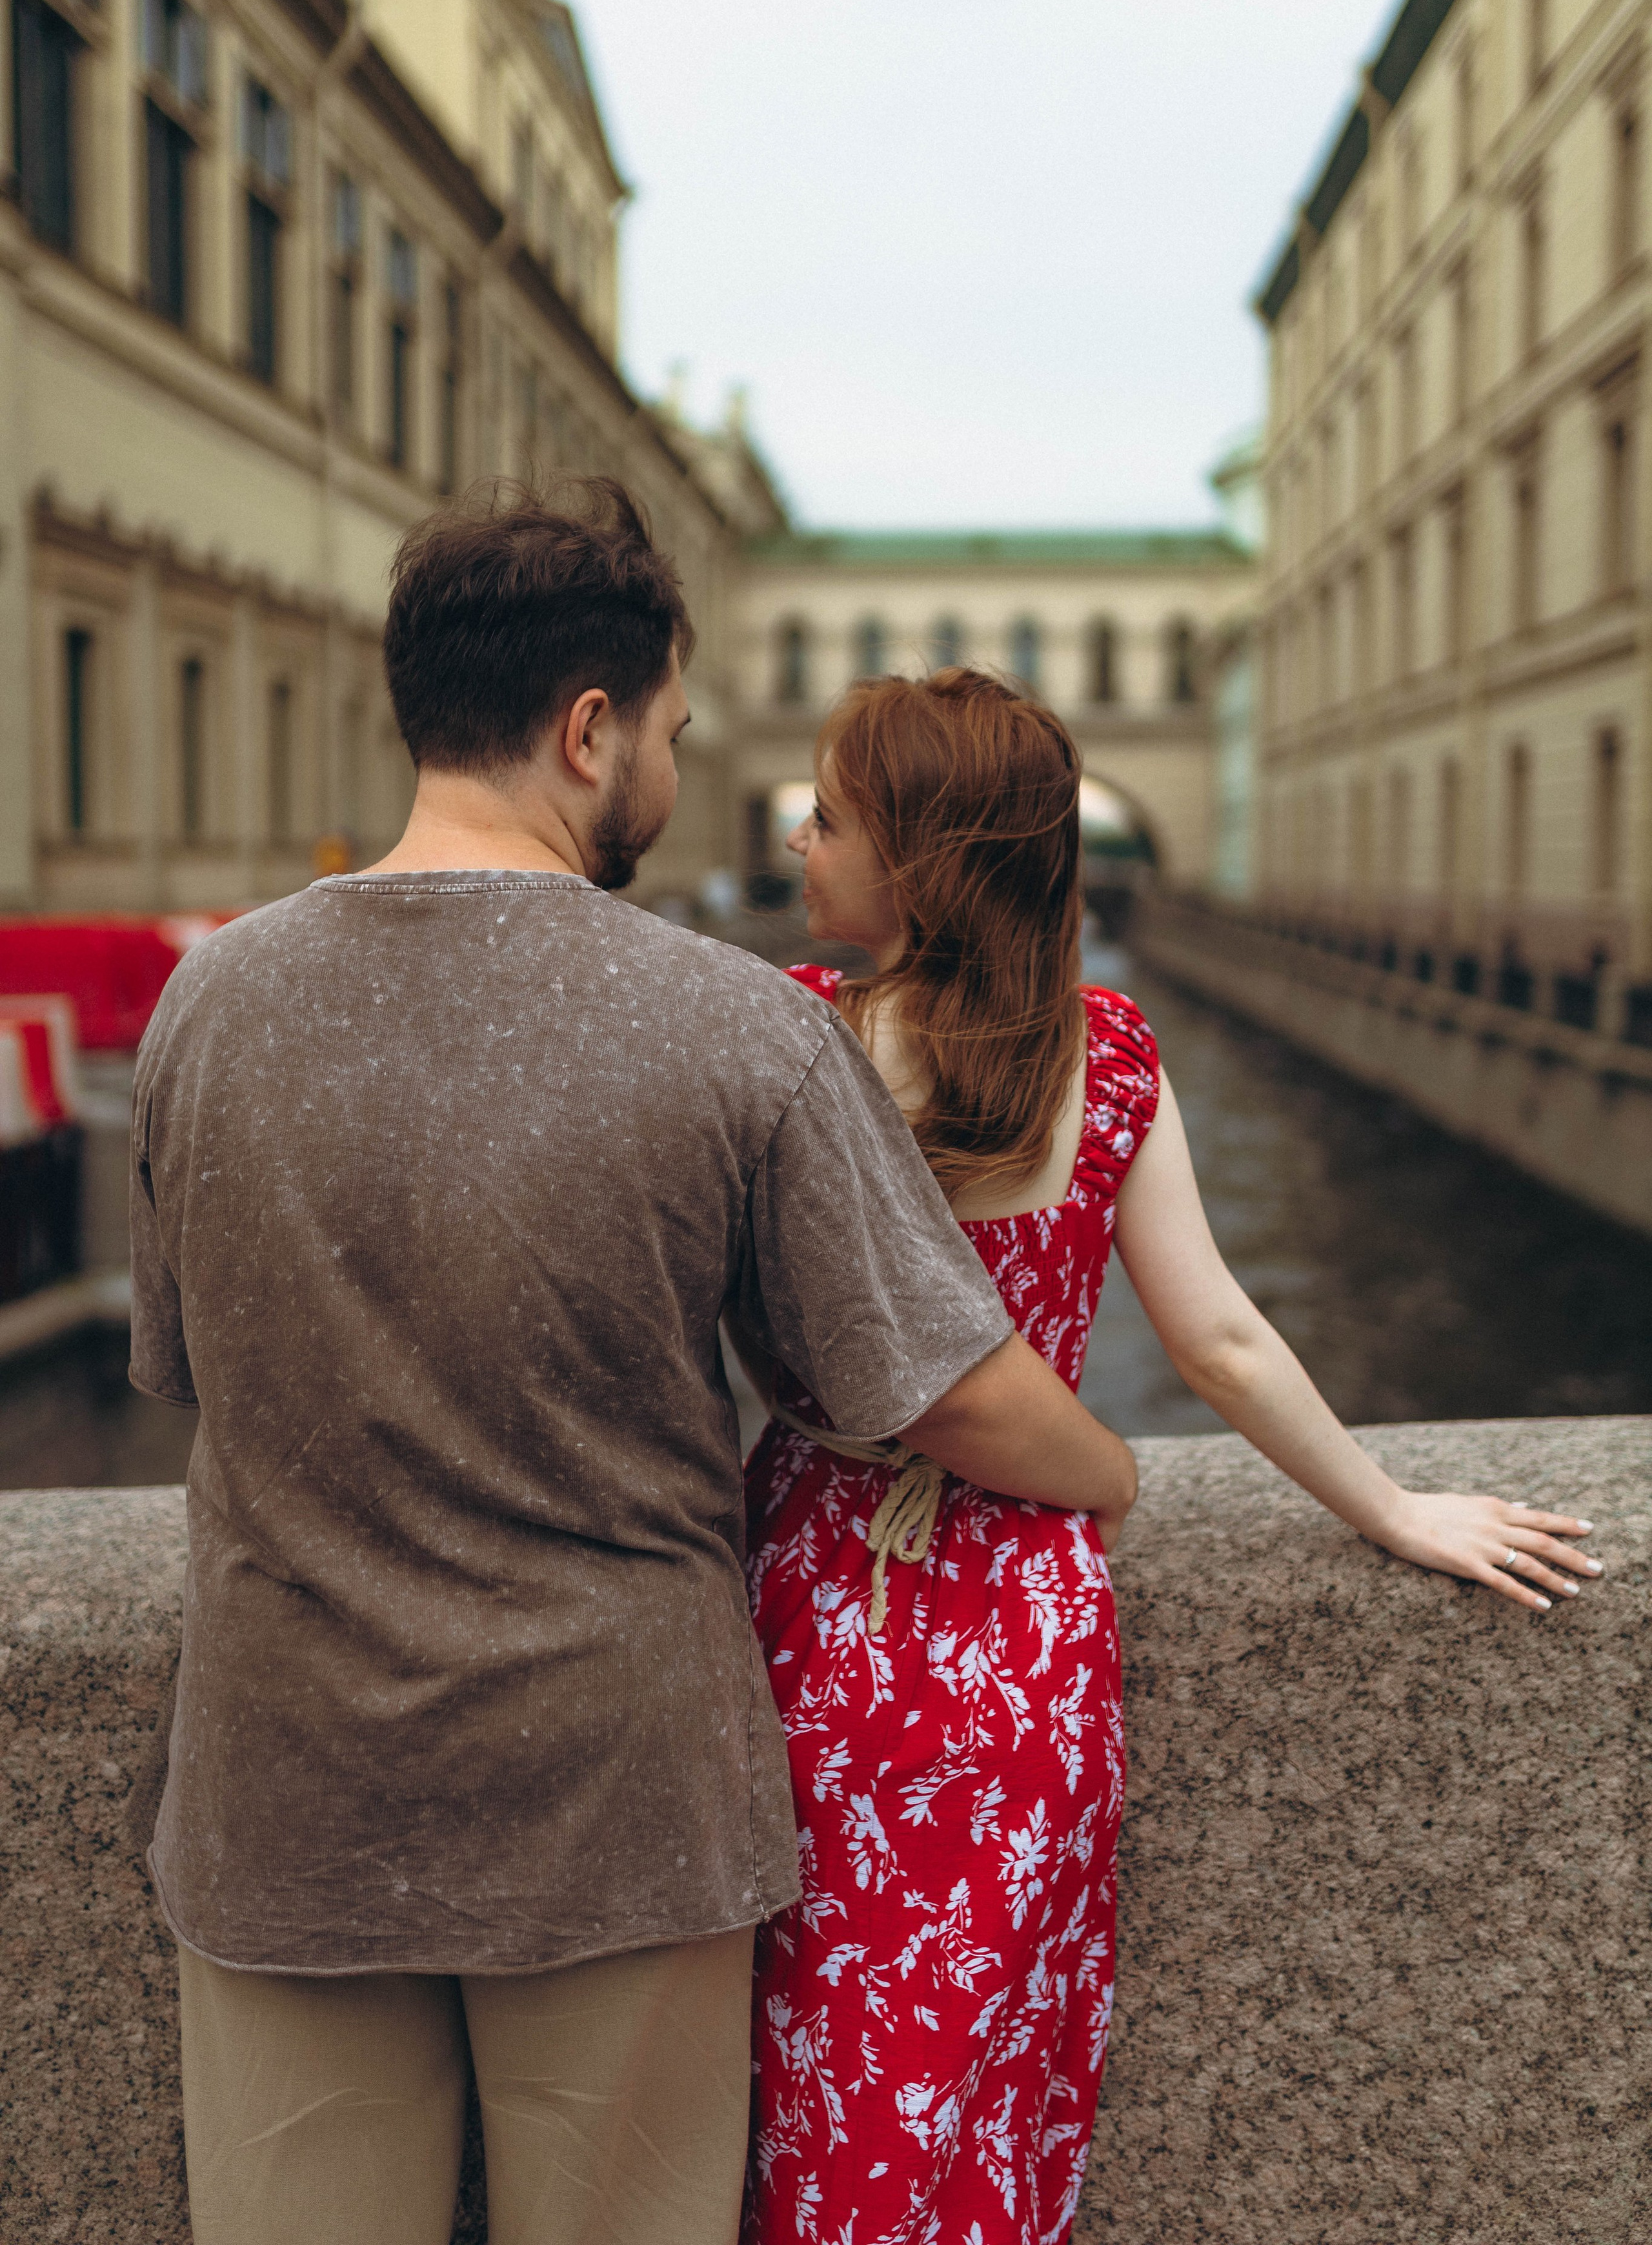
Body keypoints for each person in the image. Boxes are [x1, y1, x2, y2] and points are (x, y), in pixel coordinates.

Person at [127, 485, 1137, 2245]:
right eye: (669, 729)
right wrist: (1120, 1475)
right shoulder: (737, 1019)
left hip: (287, 1795)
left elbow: (193, 1370)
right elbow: (942, 1389)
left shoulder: (208, 1002)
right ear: (589, 733)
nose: (673, 771)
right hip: (623, 1814)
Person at [738, 665, 1601, 2245]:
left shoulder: (795, 1043)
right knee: (983, 2077)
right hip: (1028, 1631)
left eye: (832, 813)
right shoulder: (1108, 1055)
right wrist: (1391, 1506)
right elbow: (1218, 1344)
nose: (800, 832)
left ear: (917, 858)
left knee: (817, 2072)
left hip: (823, 1614)